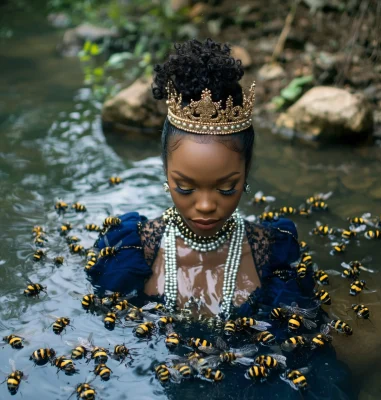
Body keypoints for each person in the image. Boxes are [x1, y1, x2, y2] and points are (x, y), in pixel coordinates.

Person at [89, 38, 356, 399]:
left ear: (246, 175)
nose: (204, 205)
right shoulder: (128, 250)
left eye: (226, 188)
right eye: (184, 187)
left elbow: (310, 354)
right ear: (165, 171)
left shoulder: (273, 255)